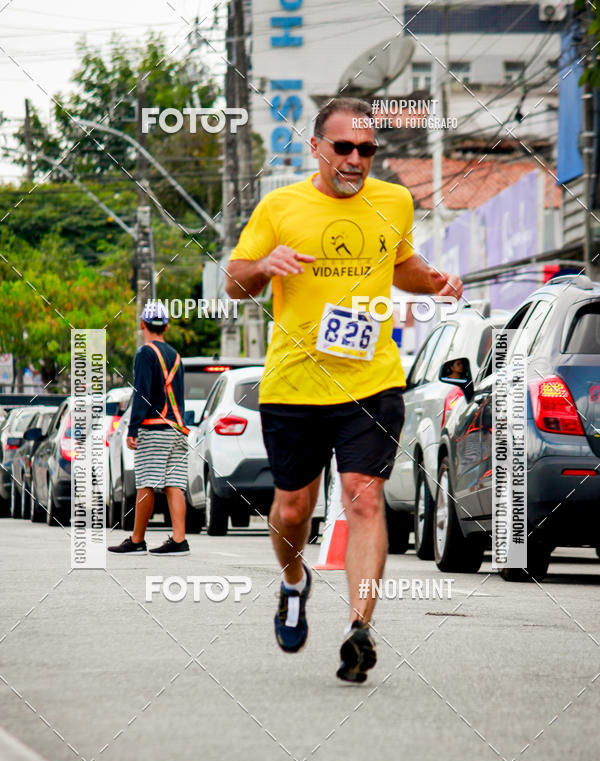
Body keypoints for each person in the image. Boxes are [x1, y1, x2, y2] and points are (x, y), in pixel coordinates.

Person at [225, 97, 462, 682]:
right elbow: (234, 281)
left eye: (367, 149)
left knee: (364, 497)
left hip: (371, 380)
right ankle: (293, 581)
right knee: (292, 508)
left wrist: (434, 280)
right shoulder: (280, 206)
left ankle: (360, 629)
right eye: (344, 147)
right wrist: (265, 265)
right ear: (316, 147)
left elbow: (399, 264)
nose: (356, 159)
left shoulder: (395, 200)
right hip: (295, 384)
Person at [108, 304, 190, 556]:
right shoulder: (176, 355)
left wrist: (133, 428)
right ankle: (179, 540)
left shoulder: (145, 352)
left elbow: (141, 393)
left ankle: (137, 540)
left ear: (142, 324)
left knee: (146, 483)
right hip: (177, 430)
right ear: (166, 326)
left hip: (154, 429)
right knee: (174, 484)